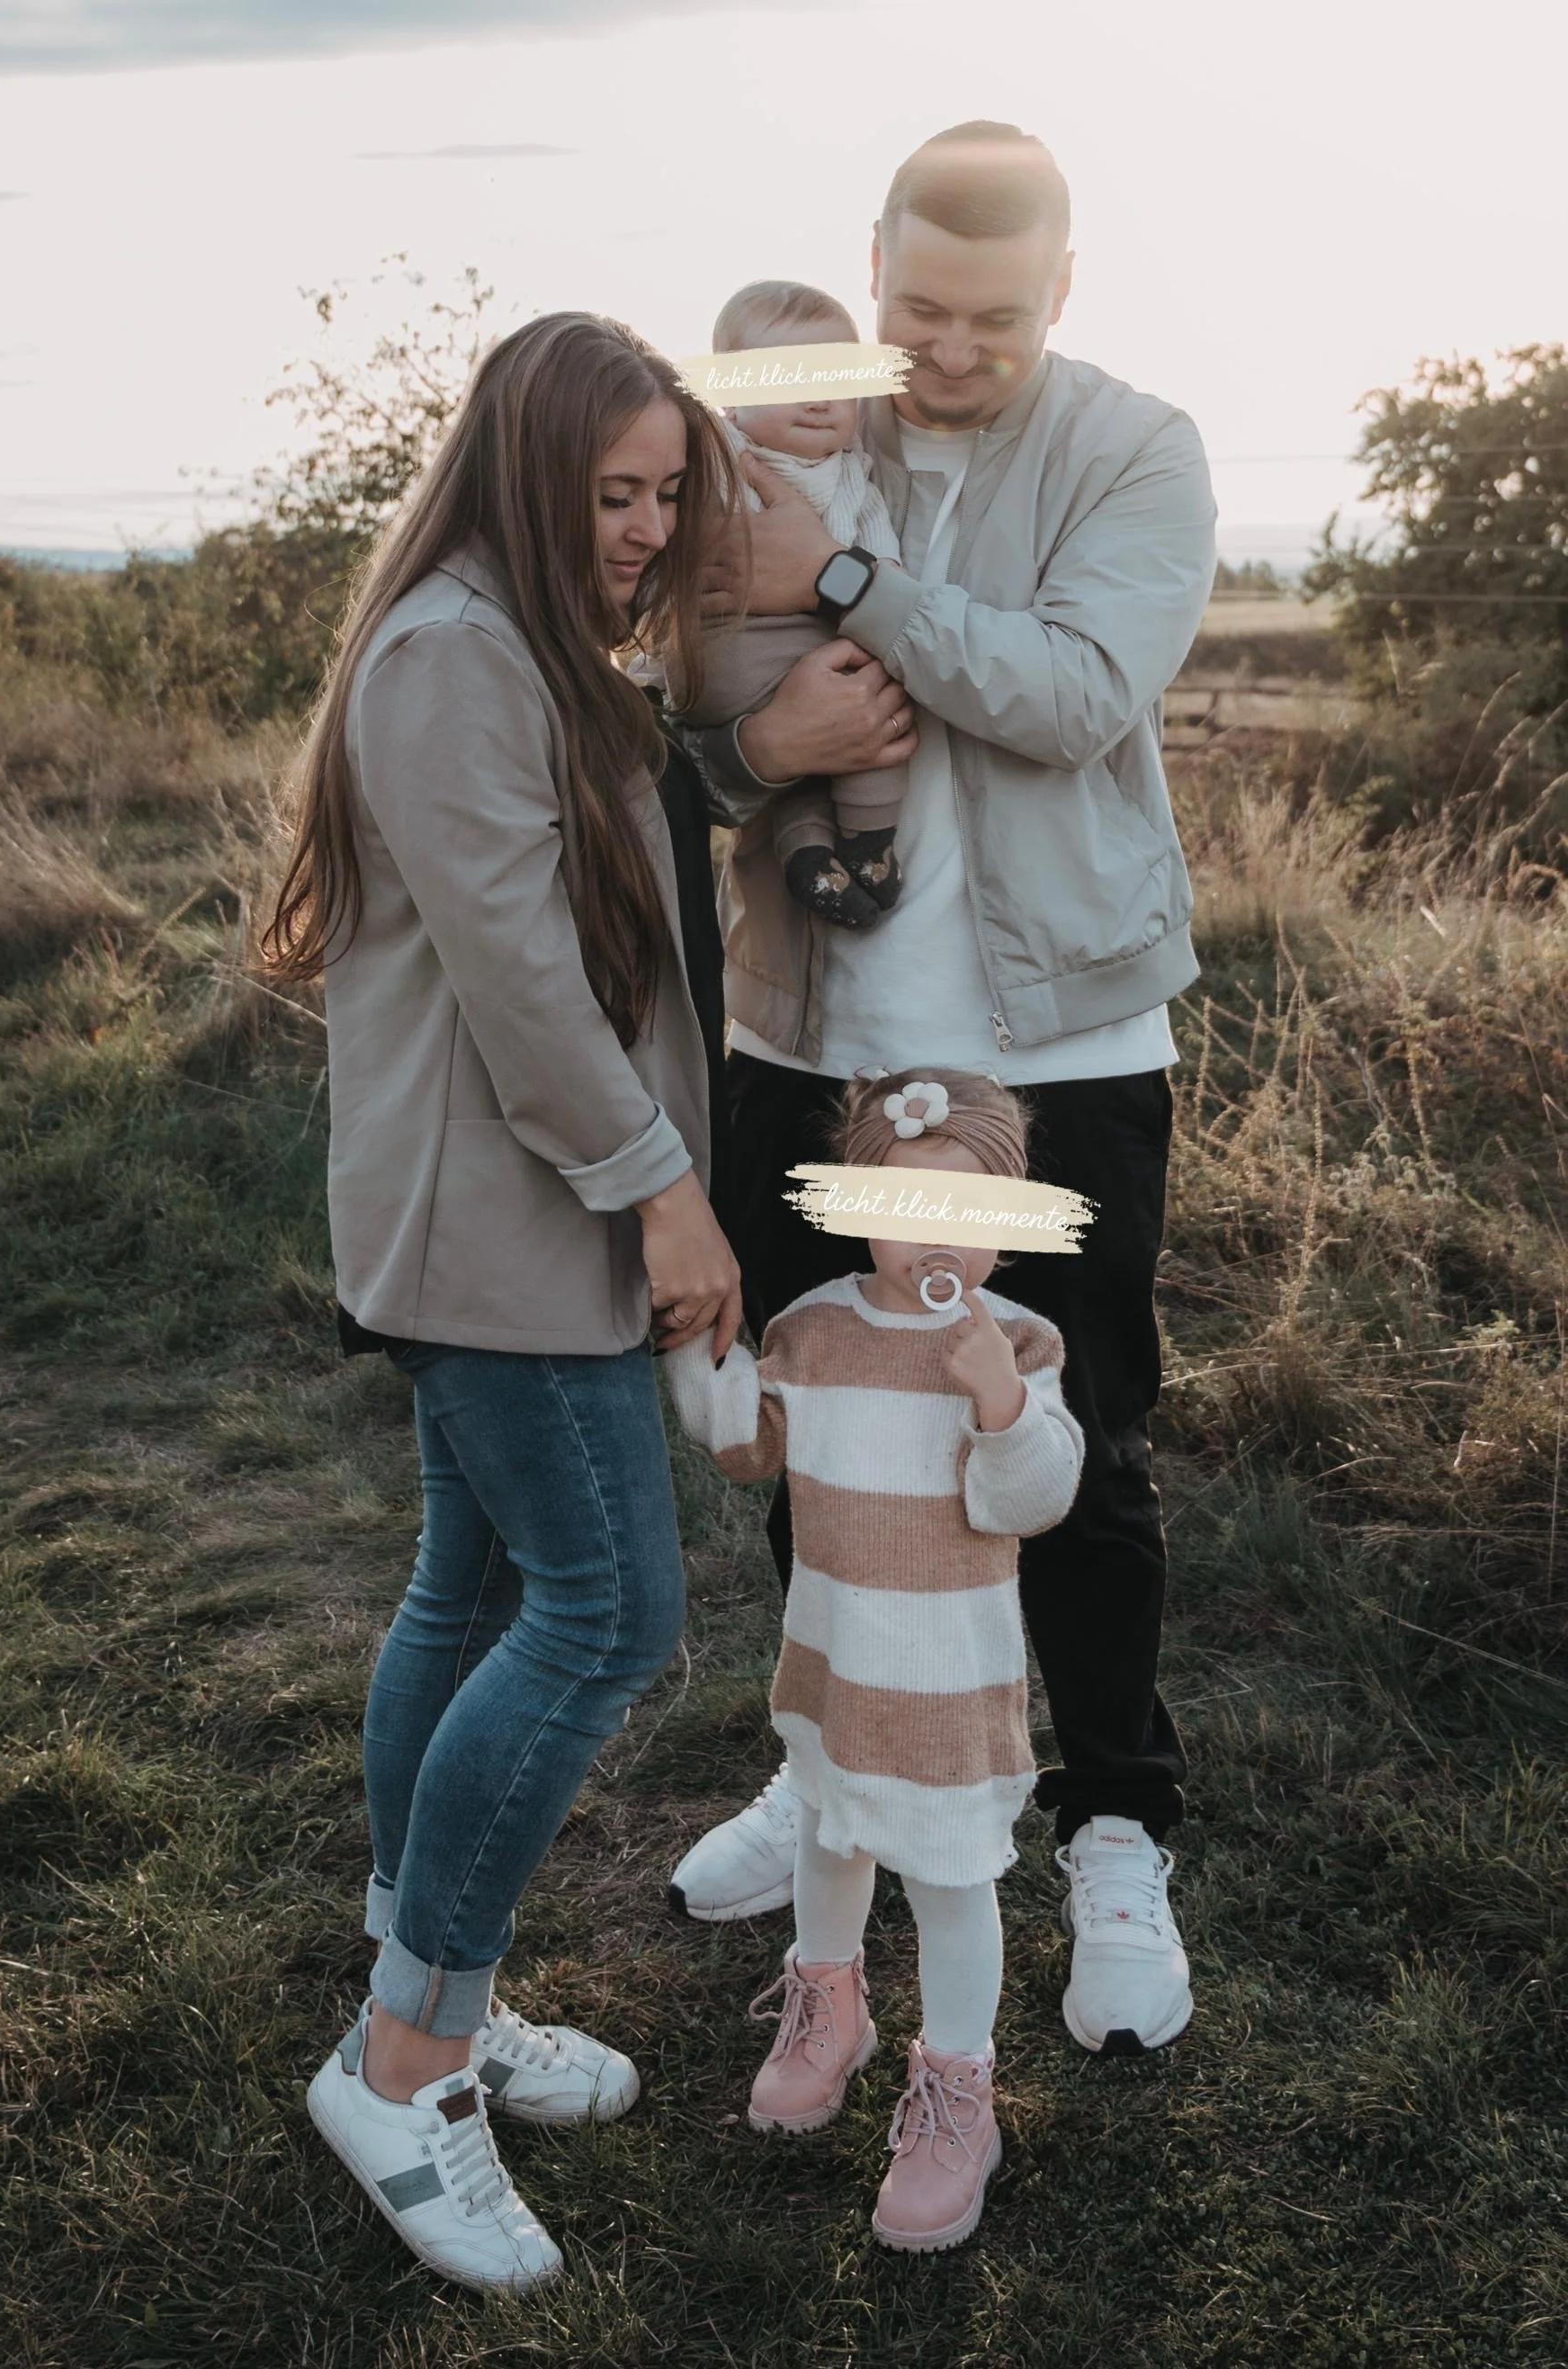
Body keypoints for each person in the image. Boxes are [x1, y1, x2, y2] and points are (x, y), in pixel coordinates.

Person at [668, 121, 1217, 2060]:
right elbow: (676, 703)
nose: (948, 347)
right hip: (802, 1037)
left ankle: (1114, 1822)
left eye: (993, 316)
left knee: (1064, 1434)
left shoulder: (1134, 448)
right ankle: (826, 1768)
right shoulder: (774, 403)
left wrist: (837, 570)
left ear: (1059, 295)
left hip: (1047, 1054)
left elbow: (1073, 694)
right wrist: (755, 739)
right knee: (816, 1407)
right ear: (869, 267)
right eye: (916, 307)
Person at [261, 311, 745, 2293]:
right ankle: (409, 2056)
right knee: (610, 1610)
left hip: (499, 1212)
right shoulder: (455, 655)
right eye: (606, 491)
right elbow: (524, 985)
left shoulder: (520, 640)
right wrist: (671, 1206)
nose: (637, 527)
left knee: (469, 1589)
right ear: (520, 474)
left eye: (659, 493)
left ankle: (424, 1973)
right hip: (512, 1223)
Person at [666, 1069, 1084, 2251]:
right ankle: (826, 2004)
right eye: (910, 1205)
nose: (937, 1235)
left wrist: (999, 1403)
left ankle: (957, 2089)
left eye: (970, 1209)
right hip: (837, 1665)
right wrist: (701, 1354)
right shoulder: (813, 1330)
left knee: (950, 1881)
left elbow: (1036, 1497)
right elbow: (746, 1444)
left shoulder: (1020, 1343)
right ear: (858, 1206)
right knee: (829, 1831)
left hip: (948, 1690)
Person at [676, 279, 909, 930]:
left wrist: (876, 578)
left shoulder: (851, 469)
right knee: (878, 698)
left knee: (818, 750)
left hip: (752, 670)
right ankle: (870, 841)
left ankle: (810, 854)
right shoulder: (723, 453)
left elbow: (878, 550)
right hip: (739, 643)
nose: (816, 399)